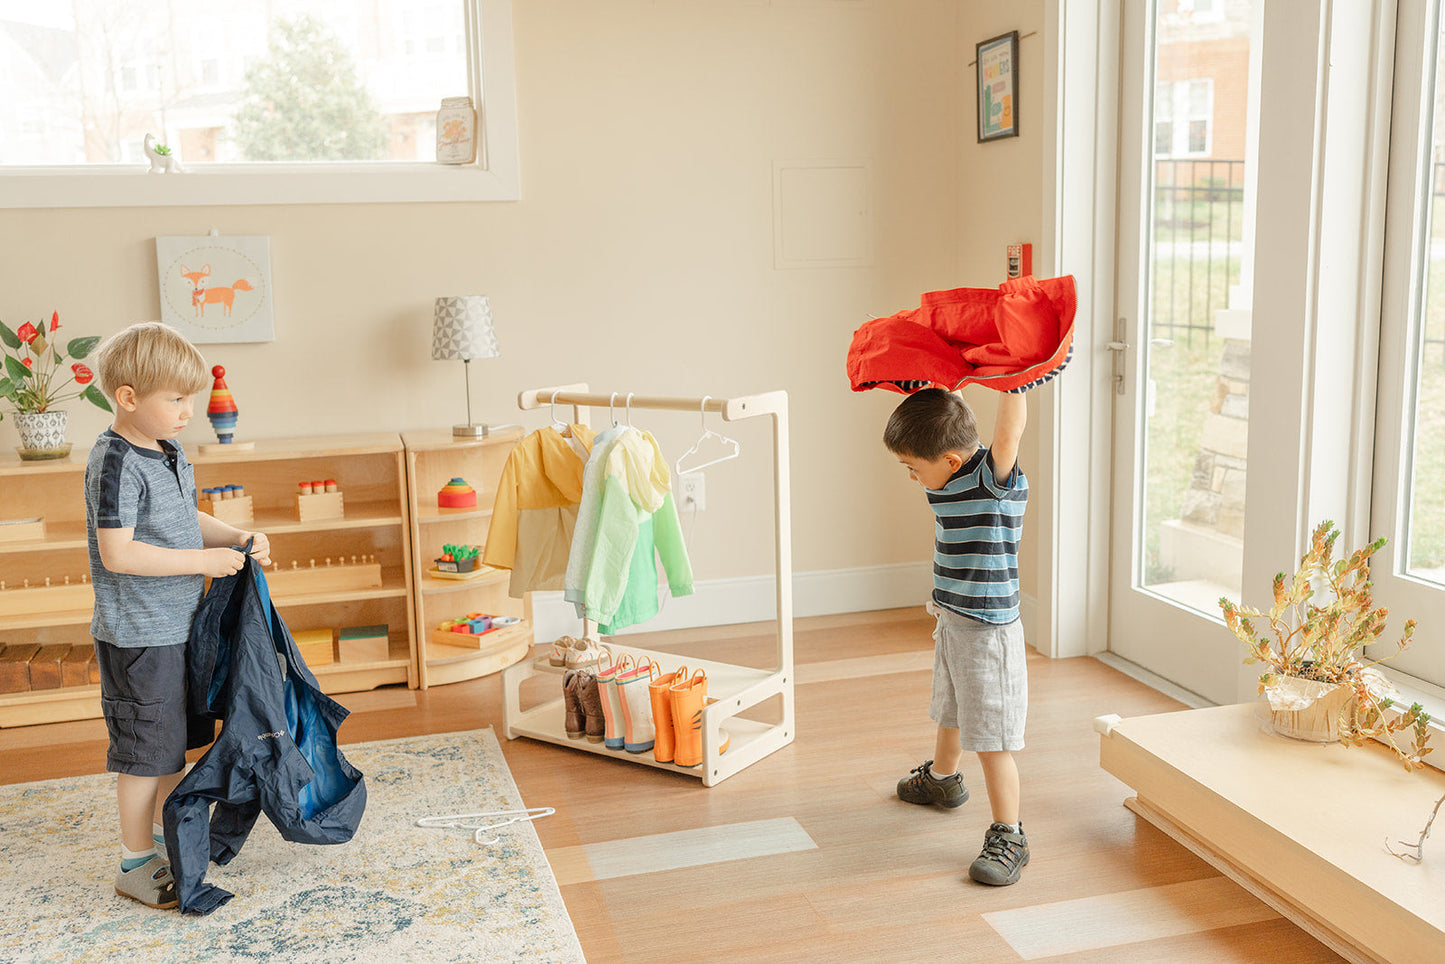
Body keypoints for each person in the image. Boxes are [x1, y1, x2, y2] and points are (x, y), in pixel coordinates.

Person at [84, 322, 270, 909]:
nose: (189, 410)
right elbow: (119, 552)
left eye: (190, 398)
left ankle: (165, 840)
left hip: (182, 627)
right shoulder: (114, 462)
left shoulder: (165, 447)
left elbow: (185, 516)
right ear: (129, 397)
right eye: (176, 399)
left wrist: (237, 537)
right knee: (146, 753)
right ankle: (135, 861)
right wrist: (203, 559)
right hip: (141, 635)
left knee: (175, 745)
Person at [883, 385, 1031, 886]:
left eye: (913, 467)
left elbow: (1008, 432)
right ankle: (943, 782)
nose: (911, 477)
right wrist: (936, 385)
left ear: (948, 459)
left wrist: (1015, 384)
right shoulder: (947, 474)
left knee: (991, 736)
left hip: (989, 632)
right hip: (952, 618)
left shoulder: (993, 482)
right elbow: (953, 408)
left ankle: (1010, 833)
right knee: (950, 709)